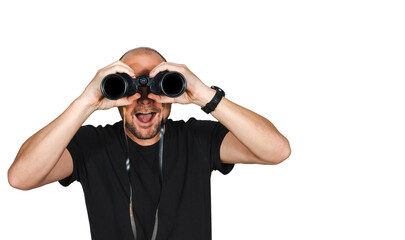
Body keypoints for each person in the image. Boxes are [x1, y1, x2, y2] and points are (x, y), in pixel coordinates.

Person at [8, 47, 291, 240]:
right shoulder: (91, 145)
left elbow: (277, 150)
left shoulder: (198, 140)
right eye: (130, 85)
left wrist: (204, 95)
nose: (144, 98)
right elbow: (20, 177)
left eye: (157, 84)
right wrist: (86, 102)